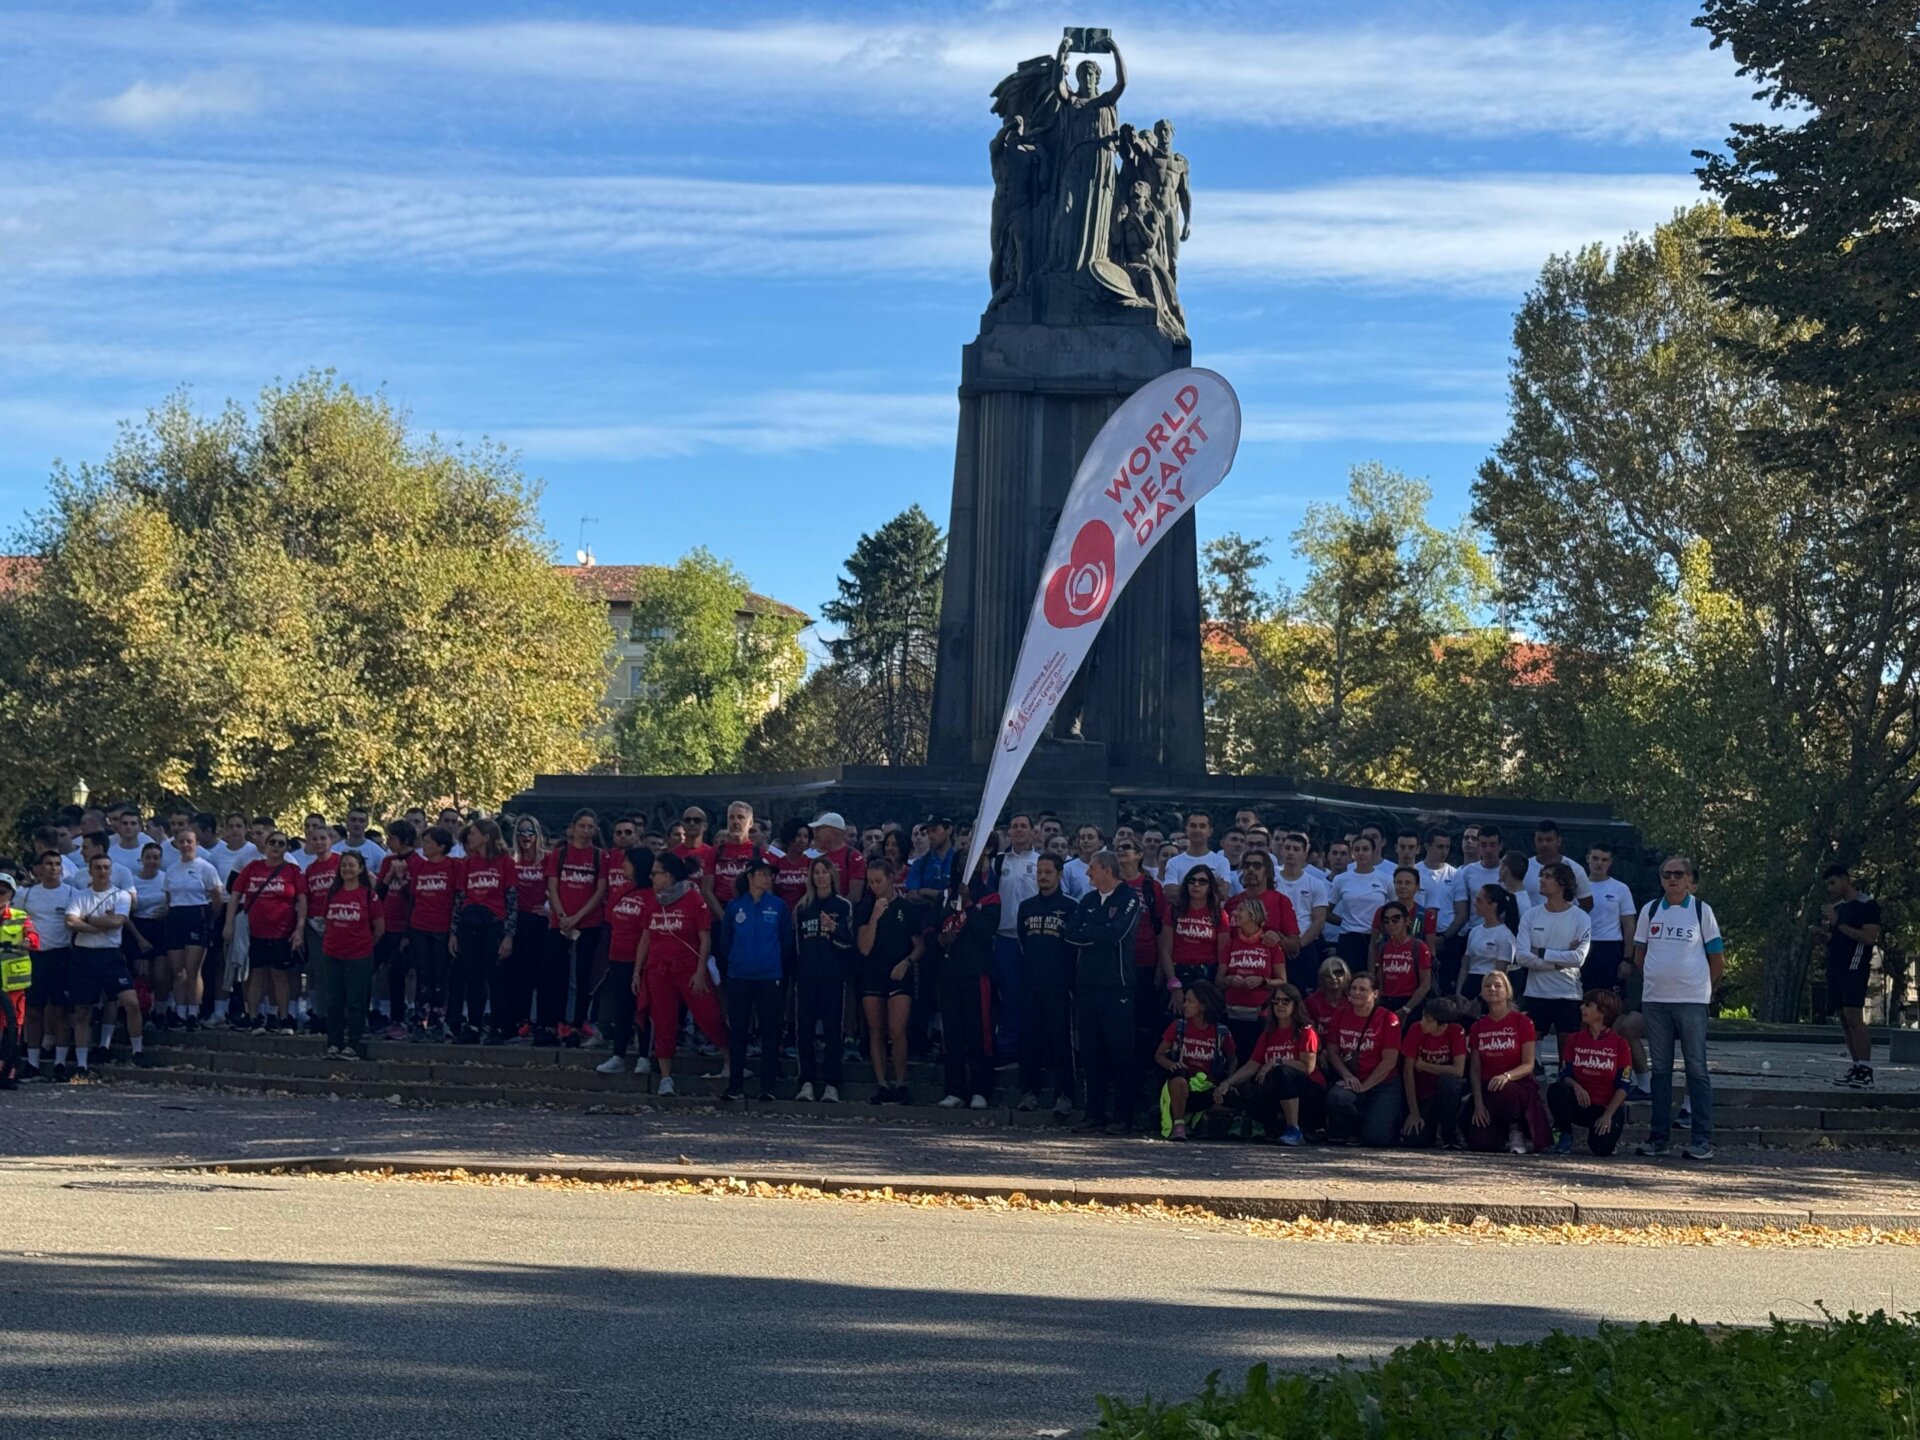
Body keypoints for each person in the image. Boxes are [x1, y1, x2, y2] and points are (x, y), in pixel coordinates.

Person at [1632, 857, 1722, 1161]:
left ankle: (1701, 1139)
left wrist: (1700, 986)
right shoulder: (1650, 910)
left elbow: (1717, 958)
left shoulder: (1701, 911)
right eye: (1667, 874)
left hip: (1692, 1002)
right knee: (1660, 1070)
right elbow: (1639, 954)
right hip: (1656, 1001)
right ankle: (1658, 1138)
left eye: (1678, 874)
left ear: (1690, 881)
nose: (1672, 879)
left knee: (1696, 1068)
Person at [632, 849, 726, 1097]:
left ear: (670, 876)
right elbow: (645, 937)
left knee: (710, 1016)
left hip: (688, 967)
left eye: (656, 873)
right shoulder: (652, 900)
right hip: (657, 969)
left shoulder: (693, 899)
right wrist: (636, 972)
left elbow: (705, 938)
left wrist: (699, 971)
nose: (651, 878)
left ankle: (730, 1060)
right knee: (663, 1021)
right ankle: (665, 1077)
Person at [1066, 850, 1145, 1133]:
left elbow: (1116, 935)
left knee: (1120, 1054)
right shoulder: (1087, 900)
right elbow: (1071, 933)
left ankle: (1123, 1117)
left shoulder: (1129, 898)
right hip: (1087, 986)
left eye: (1093, 869)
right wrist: (1097, 930)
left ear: (1107, 870)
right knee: (1091, 1053)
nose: (1088, 874)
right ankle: (1093, 1114)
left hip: (1117, 987)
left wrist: (1092, 929)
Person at [719, 859, 793, 1103]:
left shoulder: (779, 906)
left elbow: (785, 943)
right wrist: (737, 963)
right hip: (739, 977)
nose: (767, 878)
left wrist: (774, 965)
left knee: (770, 1032)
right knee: (738, 1031)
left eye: (769, 874)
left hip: (770, 977)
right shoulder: (734, 907)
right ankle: (735, 1085)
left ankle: (768, 1087)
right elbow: (725, 943)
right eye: (762, 874)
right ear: (750, 876)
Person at [63, 852, 140, 1076]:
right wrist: (100, 925)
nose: (102, 872)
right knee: (82, 1011)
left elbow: (117, 921)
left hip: (110, 955)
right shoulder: (80, 895)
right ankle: (82, 1064)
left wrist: (86, 919)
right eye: (98, 868)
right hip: (84, 955)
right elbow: (70, 921)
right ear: (90, 871)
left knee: (131, 1001)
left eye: (106, 867)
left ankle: (137, 1050)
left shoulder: (121, 895)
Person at [227, 831, 307, 1034]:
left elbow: (302, 900)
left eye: (281, 843)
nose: (276, 846)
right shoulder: (253, 867)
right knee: (256, 975)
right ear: (265, 845)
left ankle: (283, 1018)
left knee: (280, 976)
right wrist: (229, 924)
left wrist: (299, 928)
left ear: (287, 848)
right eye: (273, 842)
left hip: (282, 932)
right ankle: (254, 1017)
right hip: (254, 932)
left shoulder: (292, 870)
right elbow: (235, 894)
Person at [935, 853, 999, 1109]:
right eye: (962, 864)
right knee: (952, 1033)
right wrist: (941, 939)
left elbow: (986, 933)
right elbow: (931, 926)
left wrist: (970, 904)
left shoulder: (990, 896)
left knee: (979, 1032)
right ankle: (955, 1089)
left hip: (977, 973)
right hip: (949, 973)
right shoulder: (944, 895)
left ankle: (980, 1090)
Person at [854, 857, 920, 1104]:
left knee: (897, 1029)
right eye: (870, 881)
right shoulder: (864, 909)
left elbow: (920, 945)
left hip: (898, 974)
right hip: (872, 973)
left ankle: (901, 1081)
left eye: (879, 881)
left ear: (891, 879)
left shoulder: (907, 908)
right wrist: (874, 917)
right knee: (876, 1030)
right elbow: (863, 948)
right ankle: (881, 1082)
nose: (874, 886)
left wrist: (907, 963)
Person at [1216, 985, 1317, 1144]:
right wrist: (1227, 1083)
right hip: (1277, 1091)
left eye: (1285, 1001)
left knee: (1282, 1072)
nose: (1280, 1005)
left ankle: (1294, 1129)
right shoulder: (1268, 1034)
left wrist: (1275, 1062)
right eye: (1275, 1002)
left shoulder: (1305, 1031)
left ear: (1296, 1005)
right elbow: (1252, 1065)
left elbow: (1307, 1067)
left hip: (1307, 1091)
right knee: (1248, 1087)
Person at [1015, 852, 1077, 1116]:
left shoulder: (1071, 906)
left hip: (1060, 985)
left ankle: (1065, 1095)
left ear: (1059, 874)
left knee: (1060, 1041)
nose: (1043, 876)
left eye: (1048, 872)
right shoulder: (1026, 907)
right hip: (1031, 984)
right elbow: (1022, 939)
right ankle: (1029, 1092)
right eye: (1039, 872)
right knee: (1029, 1039)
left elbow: (1074, 948)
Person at [1465, 970, 1552, 1153]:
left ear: (1508, 991)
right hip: (1487, 1088)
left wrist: (1507, 1076)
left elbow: (1528, 1064)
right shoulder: (1478, 1027)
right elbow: (1475, 1069)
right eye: (1487, 986)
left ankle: (1516, 1129)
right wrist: (1479, 1105)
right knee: (1480, 1144)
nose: (1492, 989)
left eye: (1498, 985)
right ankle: (1499, 1133)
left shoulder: (1522, 1022)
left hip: (1516, 1086)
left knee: (1503, 1088)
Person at [1517, 861, 1591, 1064]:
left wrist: (1541, 952)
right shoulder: (1530, 915)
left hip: (1567, 994)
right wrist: (1558, 961)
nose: (1541, 880)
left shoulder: (1580, 917)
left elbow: (1578, 959)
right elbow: (1522, 956)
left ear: (1563, 883)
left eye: (1548, 876)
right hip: (1535, 994)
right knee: (1531, 1063)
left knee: (1567, 1062)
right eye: (1542, 875)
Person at [793, 856, 854, 1102]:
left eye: (824, 872)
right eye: (816, 872)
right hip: (807, 977)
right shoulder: (803, 906)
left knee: (832, 1031)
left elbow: (848, 943)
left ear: (832, 875)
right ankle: (806, 1081)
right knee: (804, 1030)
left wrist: (833, 929)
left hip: (832, 977)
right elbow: (797, 946)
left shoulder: (842, 905)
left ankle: (832, 1084)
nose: (820, 876)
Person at [544, 810, 607, 1044]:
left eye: (591, 827)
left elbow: (600, 891)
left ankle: (578, 1022)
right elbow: (553, 887)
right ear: (573, 828)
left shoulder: (600, 857)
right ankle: (555, 1022)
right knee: (556, 974)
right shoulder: (559, 855)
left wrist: (578, 917)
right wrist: (562, 915)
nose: (586, 831)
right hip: (559, 922)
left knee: (583, 976)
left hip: (588, 923)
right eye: (582, 826)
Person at [1322, 973, 1403, 1146]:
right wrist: (1346, 1076)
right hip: (1353, 1077)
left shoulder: (1388, 1018)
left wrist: (1365, 1087)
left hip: (1383, 1083)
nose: (1357, 993)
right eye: (1354, 988)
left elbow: (1389, 1061)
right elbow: (1332, 1050)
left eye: (1363, 989)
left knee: (1376, 1139)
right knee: (1337, 1097)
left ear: (1375, 993)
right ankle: (1352, 1130)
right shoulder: (1340, 1013)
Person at [1549, 988, 1633, 1155]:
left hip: (1605, 1107)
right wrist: (1576, 1086)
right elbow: (1564, 1073)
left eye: (1588, 1005)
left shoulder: (1620, 1044)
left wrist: (1608, 1115)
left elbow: (1624, 1084)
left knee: (1602, 1150)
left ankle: (1606, 1134)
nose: (1582, 1008)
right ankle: (1565, 1133)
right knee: (1556, 1090)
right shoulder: (1575, 1039)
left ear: (1603, 1011)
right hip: (1579, 1102)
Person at [452, 818, 514, 1045]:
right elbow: (459, 899)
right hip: (469, 924)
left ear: (486, 837)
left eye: (473, 834)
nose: (469, 838)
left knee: (495, 977)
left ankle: (497, 1026)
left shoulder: (505, 862)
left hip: (494, 924)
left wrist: (509, 935)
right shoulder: (468, 864)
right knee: (473, 977)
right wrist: (454, 932)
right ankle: (474, 1024)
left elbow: (512, 900)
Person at [1821, 863, 1880, 1089]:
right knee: (1843, 1018)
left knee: (1853, 1015)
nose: (1830, 888)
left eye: (1833, 882)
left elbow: (1868, 937)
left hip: (1854, 965)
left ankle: (1866, 1068)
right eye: (1828, 884)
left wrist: (1837, 923)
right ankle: (1856, 1066)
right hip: (1835, 966)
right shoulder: (1840, 908)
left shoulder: (1867, 905)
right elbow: (1836, 937)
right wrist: (1825, 936)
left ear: (1845, 879)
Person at [320, 850, 383, 1061]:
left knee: (356, 1001)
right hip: (333, 953)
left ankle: (353, 1044)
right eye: (344, 865)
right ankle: (334, 1043)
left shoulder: (368, 894)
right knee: (334, 1000)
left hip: (359, 955)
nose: (347, 869)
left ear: (361, 869)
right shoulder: (333, 892)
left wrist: (364, 945)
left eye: (352, 865)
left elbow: (379, 927)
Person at [595, 846, 652, 1074]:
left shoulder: (651, 895)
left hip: (640, 961)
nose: (623, 866)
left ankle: (644, 1056)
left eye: (627, 862)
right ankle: (618, 1055)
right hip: (617, 958)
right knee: (622, 1008)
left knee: (643, 1009)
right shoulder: (621, 891)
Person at [1154, 979, 1234, 1140]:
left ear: (1203, 1006)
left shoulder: (1221, 1032)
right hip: (1182, 1085)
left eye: (1190, 1001)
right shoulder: (1178, 1026)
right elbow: (1158, 1055)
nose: (1184, 1005)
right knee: (1179, 1079)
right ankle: (1178, 1124)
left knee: (1232, 1101)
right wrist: (1173, 1064)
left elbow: (1233, 1058)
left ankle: (1202, 1120)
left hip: (1207, 1087)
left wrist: (1227, 1082)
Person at [163, 827, 226, 1030]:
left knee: (193, 969)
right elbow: (168, 898)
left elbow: (216, 897)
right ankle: (180, 1012)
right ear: (176, 845)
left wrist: (209, 919)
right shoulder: (172, 870)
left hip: (197, 916)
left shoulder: (205, 868)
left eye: (189, 841)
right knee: (178, 970)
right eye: (181, 842)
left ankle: (193, 1012)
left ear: (196, 843)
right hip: (176, 916)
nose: (185, 845)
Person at [990, 813, 1040, 1056]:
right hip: (1005, 937)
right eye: (1015, 826)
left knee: (1033, 993)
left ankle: (1033, 1046)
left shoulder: (1042, 862)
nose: (1019, 830)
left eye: (1024, 826)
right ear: (1009, 832)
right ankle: (1008, 1046)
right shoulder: (998, 862)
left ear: (1033, 832)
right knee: (1008, 993)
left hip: (1035, 939)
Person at [407, 826, 460, 1039]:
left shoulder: (453, 866)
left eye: (429, 842)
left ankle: (438, 1021)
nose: (424, 846)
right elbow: (413, 896)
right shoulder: (420, 866)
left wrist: (454, 932)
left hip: (442, 929)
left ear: (441, 846)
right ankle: (420, 1020)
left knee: (440, 977)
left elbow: (458, 898)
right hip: (420, 927)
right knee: (423, 975)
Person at [501, 818, 549, 1042]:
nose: (526, 836)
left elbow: (555, 886)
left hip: (539, 921)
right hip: (515, 920)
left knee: (539, 973)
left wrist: (549, 909)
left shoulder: (547, 858)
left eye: (530, 831)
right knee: (515, 974)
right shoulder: (510, 860)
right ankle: (518, 1020)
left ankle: (540, 1022)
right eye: (521, 832)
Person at [1399, 995, 1468, 1149]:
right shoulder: (1416, 1028)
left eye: (1429, 1021)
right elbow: (1407, 1072)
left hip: (1445, 1092)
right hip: (1422, 1094)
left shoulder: (1456, 1031)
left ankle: (1449, 1134)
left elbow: (1458, 1070)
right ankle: (1429, 1129)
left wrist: (1424, 1066)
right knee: (1414, 1140)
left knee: (1448, 1081)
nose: (1423, 1022)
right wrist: (1414, 1112)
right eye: (1424, 1016)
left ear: (1443, 1025)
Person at [1220, 897, 1282, 1061]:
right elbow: (1218, 979)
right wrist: (1229, 979)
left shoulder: (1270, 944)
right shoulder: (1231, 944)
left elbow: (1283, 981)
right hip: (1232, 1013)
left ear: (1254, 915)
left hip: (1260, 1014)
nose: (1235, 913)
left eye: (1240, 910)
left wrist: (1262, 981)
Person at [1273, 832, 1331, 995]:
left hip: (1304, 947)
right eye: (1288, 848)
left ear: (1305, 854)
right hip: (1274, 945)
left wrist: (1298, 945)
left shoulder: (1316, 884)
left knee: (1302, 995)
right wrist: (1283, 943)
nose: (1291, 852)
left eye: (1296, 849)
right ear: (1282, 851)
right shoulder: (1271, 880)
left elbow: (1319, 921)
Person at [1161, 866, 1229, 1002]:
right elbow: (1165, 951)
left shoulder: (1219, 915)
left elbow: (1223, 954)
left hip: (1207, 976)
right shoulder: (1174, 910)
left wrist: (1217, 984)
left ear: (1210, 887)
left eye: (1202, 881)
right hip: (1178, 972)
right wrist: (1174, 984)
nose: (1196, 885)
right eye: (1192, 881)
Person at [1327, 834, 1392, 973]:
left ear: (1373, 851)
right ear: (1352, 853)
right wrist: (1344, 922)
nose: (1361, 853)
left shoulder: (1385, 880)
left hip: (1375, 939)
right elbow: (1326, 911)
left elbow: (1396, 910)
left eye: (1365, 849)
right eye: (1357, 849)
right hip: (1348, 939)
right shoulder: (1341, 879)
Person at [1584, 843, 1637, 995]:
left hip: (1610, 949)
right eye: (1595, 858)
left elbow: (1629, 926)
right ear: (1588, 859)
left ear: (1610, 862)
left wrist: (1627, 959)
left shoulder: (1620, 889)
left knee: (1610, 999)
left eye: (1604, 859)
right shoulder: (1577, 888)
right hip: (1582, 948)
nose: (1599, 863)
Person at [0, 875, 36, 1089]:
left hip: (14, 984)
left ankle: (9, 1073)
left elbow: (34, 938)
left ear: (11, 895)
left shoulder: (20, 916)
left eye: (3, 891)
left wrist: (27, 941)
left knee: (14, 1028)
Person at [1458, 884, 1520, 1003]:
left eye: (1480, 901)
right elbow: (1465, 964)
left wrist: (1480, 999)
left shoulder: (1505, 935)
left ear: (1493, 905)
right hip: (1470, 983)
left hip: (1489, 988)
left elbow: (1500, 971)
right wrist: (1459, 992)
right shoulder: (1475, 931)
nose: (1475, 904)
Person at [1371, 901, 1433, 1018]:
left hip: (1411, 1004)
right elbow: (1380, 980)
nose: (1391, 923)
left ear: (1406, 920)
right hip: (1387, 1003)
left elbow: (1425, 984)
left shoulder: (1419, 946)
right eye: (1386, 920)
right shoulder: (1384, 947)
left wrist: (1406, 1009)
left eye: (1396, 919)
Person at [1524, 820, 1592, 907]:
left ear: (1559, 841)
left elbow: (1587, 902)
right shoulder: (1525, 867)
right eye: (1540, 840)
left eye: (1549, 840)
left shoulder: (1575, 869)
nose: (1544, 844)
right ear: (1534, 841)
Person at [708, 801, 762, 912]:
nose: (735, 821)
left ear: (750, 823)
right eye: (731, 818)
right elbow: (706, 890)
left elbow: (765, 889)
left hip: (750, 911)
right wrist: (723, 917)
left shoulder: (759, 853)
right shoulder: (715, 852)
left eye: (740, 817)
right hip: (720, 913)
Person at [808, 812, 865, 906]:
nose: (815, 834)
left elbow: (855, 896)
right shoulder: (814, 856)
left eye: (819, 829)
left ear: (833, 831)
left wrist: (834, 909)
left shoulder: (854, 856)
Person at [1162, 812, 1232, 889]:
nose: (1197, 830)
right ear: (1186, 830)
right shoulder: (1173, 862)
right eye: (1193, 826)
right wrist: (1212, 885)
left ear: (1210, 831)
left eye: (1202, 826)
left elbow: (1223, 893)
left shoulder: (1222, 862)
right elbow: (1171, 894)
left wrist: (1182, 887)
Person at [1305, 954, 1351, 1036]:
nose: (1333, 977)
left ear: (1346, 976)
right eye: (1328, 974)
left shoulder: (1352, 1001)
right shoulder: (1312, 1002)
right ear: (1322, 977)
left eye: (1338, 973)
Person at [771, 822, 814, 910]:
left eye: (806, 837)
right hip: (780, 912)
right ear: (789, 837)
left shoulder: (811, 864)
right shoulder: (776, 863)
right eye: (798, 836)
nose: (802, 840)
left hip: (804, 912)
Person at [331, 807, 388, 872]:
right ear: (347, 822)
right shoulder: (334, 850)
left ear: (367, 824)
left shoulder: (378, 853)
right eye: (353, 820)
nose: (357, 824)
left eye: (361, 821)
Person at [1060, 823, 1103, 899]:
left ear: (1100, 842)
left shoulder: (1109, 867)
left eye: (1090, 837)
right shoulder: (1068, 868)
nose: (1086, 841)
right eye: (1082, 838)